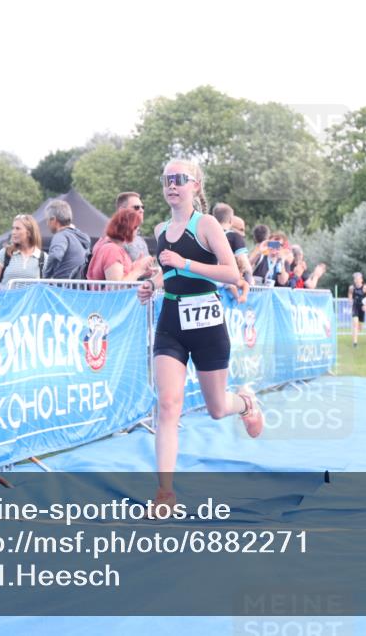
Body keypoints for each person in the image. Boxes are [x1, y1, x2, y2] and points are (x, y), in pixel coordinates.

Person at [136, 159, 262, 513]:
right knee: (168, 406)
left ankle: (246, 402)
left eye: (180, 179)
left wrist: (185, 263)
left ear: (196, 185)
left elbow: (230, 273)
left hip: (207, 323)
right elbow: (169, 274)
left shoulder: (205, 224)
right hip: (171, 322)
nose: (172, 185)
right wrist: (152, 284)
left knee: (218, 409)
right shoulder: (160, 229)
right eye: (167, 179)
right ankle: (165, 493)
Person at [86, 208, 153, 282]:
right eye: (136, 227)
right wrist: (138, 270)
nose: (137, 231)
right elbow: (117, 287)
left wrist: (135, 266)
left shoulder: (111, 246)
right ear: (128, 228)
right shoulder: (112, 250)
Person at [0, 214, 44, 288]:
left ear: (29, 233)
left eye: (18, 228)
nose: (13, 232)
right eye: (13, 228)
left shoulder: (43, 258)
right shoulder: (5, 253)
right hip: (6, 299)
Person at [211, 202, 252, 302]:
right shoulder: (234, 236)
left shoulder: (205, 234)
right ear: (230, 220)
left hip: (207, 284)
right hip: (224, 284)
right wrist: (249, 280)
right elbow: (244, 263)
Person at [42, 199, 92, 279]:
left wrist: (46, 276)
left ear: (53, 220)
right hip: (80, 287)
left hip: (63, 288)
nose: (47, 224)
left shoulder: (61, 236)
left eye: (47, 220)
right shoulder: (80, 238)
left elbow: (55, 255)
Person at [116, 192, 151, 264]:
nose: (142, 210)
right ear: (122, 211)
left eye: (142, 207)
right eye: (136, 207)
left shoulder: (140, 240)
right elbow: (116, 274)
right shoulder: (115, 240)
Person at [348, 272, 366, 348]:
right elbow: (349, 295)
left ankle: (356, 334)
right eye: (355, 279)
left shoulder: (365, 288)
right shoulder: (351, 288)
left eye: (358, 278)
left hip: (362, 308)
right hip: (355, 307)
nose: (357, 280)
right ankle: (355, 343)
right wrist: (350, 300)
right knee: (355, 324)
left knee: (360, 328)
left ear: (361, 279)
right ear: (354, 280)